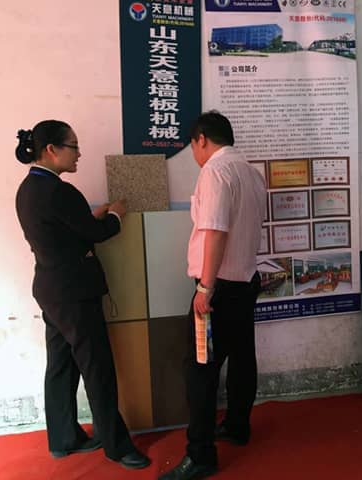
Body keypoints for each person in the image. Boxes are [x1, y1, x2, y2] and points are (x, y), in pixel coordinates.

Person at [14, 120, 150, 469]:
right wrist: (115, 215)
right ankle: (118, 447)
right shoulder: (60, 191)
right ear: (51, 150)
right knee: (96, 367)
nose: (78, 154)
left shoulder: (28, 189)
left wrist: (90, 218)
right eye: (73, 146)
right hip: (74, 293)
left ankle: (63, 439)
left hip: (50, 289)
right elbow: (97, 233)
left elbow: (62, 231)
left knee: (60, 365)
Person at [160, 111, 266, 480]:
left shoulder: (215, 171)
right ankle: (237, 425)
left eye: (193, 146)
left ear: (201, 139)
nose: (194, 154)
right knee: (241, 358)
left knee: (199, 370)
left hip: (218, 289)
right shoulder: (251, 172)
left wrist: (205, 287)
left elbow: (216, 231)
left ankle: (201, 455)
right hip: (245, 282)